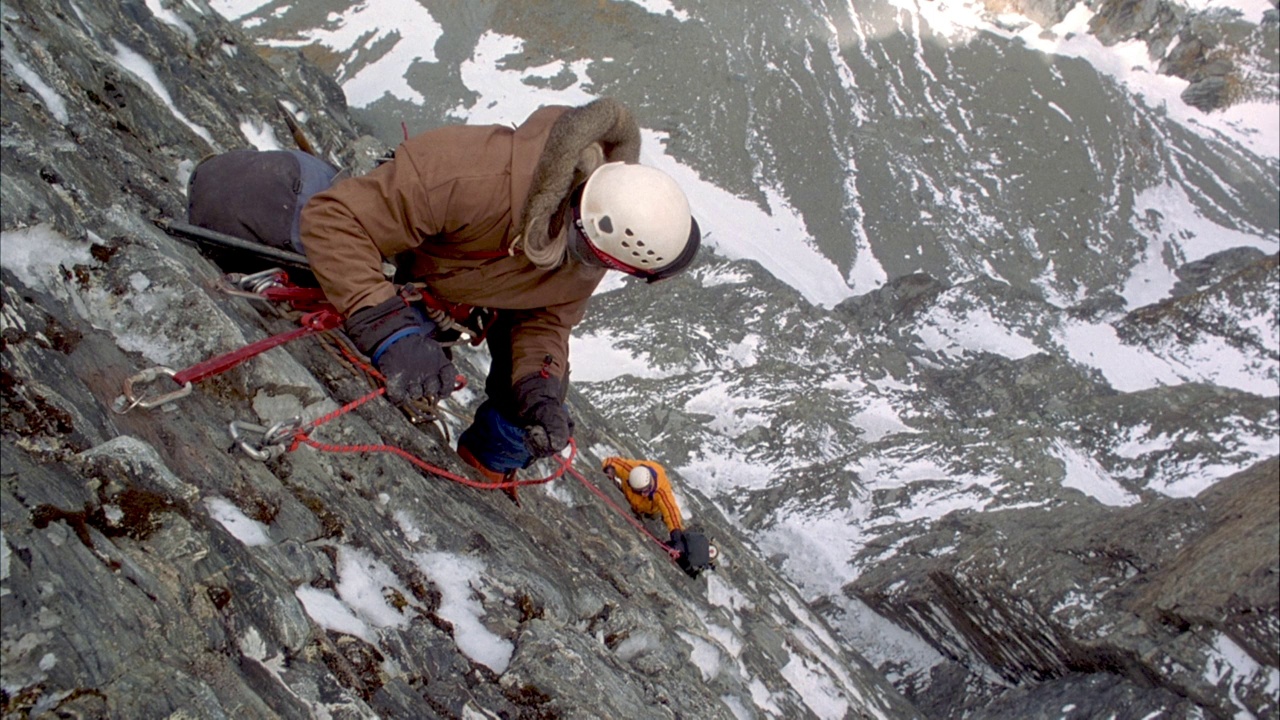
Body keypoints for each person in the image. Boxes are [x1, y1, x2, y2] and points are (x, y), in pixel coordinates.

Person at [296, 98, 701, 482]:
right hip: (389, 268)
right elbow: (337, 219)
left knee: (536, 400)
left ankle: (480, 470)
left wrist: (539, 389)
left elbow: (545, 317)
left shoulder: (590, 239)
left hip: (436, 296)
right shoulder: (477, 177)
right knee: (391, 342)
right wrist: (387, 327)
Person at [601, 456, 715, 578]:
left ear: (651, 481)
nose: (644, 494)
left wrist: (676, 535)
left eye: (646, 490)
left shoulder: (661, 490)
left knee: (654, 514)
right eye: (640, 491)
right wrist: (609, 468)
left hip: (649, 509)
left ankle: (649, 515)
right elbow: (612, 461)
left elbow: (671, 511)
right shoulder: (631, 470)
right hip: (630, 498)